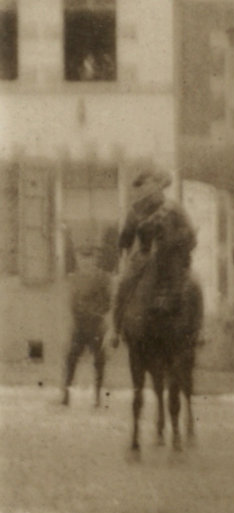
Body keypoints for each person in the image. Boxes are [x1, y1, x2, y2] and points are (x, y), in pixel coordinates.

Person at [112, 168, 197, 342]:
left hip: (172, 258)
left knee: (193, 286)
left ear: (158, 185)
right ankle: (116, 329)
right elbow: (125, 239)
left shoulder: (174, 208)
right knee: (124, 284)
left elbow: (190, 234)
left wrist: (174, 241)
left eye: (149, 184)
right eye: (142, 186)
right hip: (144, 257)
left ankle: (197, 331)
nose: (146, 189)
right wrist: (124, 247)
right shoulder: (135, 211)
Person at [62, 245, 112, 407]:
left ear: (94, 259)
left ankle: (97, 396)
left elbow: (107, 302)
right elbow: (71, 301)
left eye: (89, 258)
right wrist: (78, 313)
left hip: (96, 326)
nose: (86, 261)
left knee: (99, 361)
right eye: (83, 258)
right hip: (79, 326)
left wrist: (95, 312)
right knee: (71, 359)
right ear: (79, 259)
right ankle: (66, 395)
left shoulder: (102, 278)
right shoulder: (75, 278)